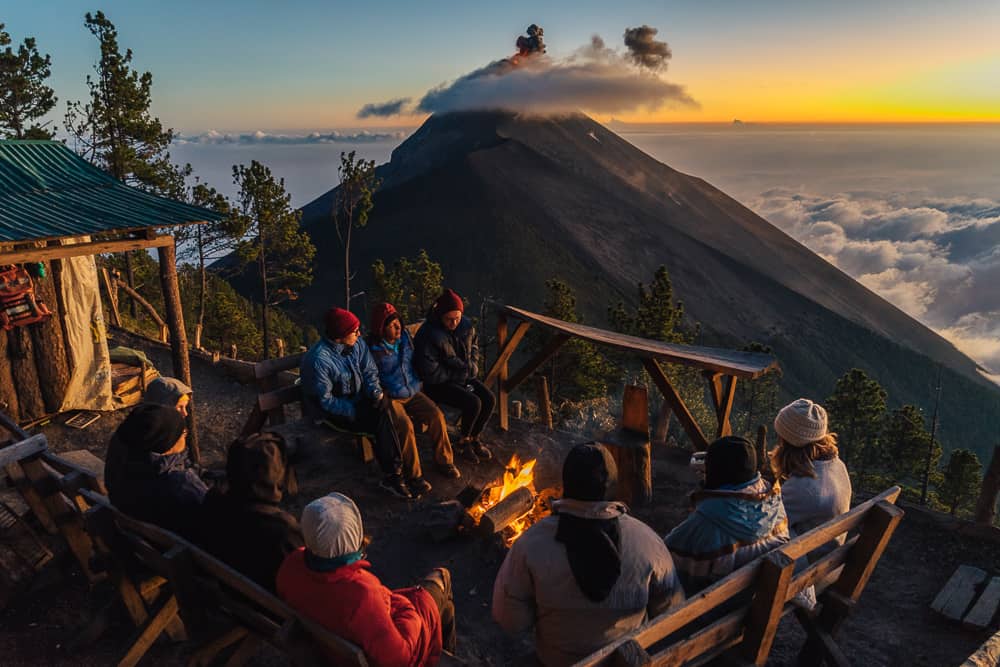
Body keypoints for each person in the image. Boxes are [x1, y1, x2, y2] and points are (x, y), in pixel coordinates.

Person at [492, 443, 684, 666]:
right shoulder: (648, 541)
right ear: (614, 486)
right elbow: (672, 610)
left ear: (565, 484)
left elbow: (510, 621)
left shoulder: (530, 544)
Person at [277, 493, 455, 667]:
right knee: (442, 578)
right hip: (355, 654)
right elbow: (399, 658)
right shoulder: (360, 594)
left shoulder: (292, 563)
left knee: (442, 603)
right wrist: (407, 611)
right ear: (353, 534)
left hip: (323, 649)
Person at [300, 306, 425, 499]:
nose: (359, 334)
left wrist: (376, 393)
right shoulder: (319, 361)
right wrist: (354, 410)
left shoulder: (356, 344)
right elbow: (325, 401)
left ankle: (398, 474)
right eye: (354, 331)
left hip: (358, 399)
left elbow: (369, 371)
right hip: (333, 413)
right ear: (340, 335)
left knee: (383, 410)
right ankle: (394, 476)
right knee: (381, 420)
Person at [664, 436, 789, 594]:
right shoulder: (775, 502)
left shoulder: (704, 525)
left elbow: (664, 562)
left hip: (714, 611)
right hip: (755, 598)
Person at [194, 432, 303, 591]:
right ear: (274, 475)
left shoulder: (213, 501)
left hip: (227, 596)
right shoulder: (282, 531)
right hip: (266, 609)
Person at [369, 302, 461, 481]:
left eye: (398, 323)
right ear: (381, 329)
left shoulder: (404, 338)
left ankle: (445, 462)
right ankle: (414, 476)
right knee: (405, 426)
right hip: (392, 397)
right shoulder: (373, 350)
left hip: (413, 390)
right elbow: (368, 375)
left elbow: (416, 360)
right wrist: (380, 394)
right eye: (391, 325)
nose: (397, 327)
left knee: (436, 416)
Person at [414, 289, 495, 463]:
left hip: (461, 376)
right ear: (440, 315)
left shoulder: (465, 326)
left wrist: (472, 365)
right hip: (437, 384)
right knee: (473, 402)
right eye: (449, 319)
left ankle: (473, 438)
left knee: (489, 399)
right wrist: (459, 374)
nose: (454, 323)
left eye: (457, 318)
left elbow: (474, 347)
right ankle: (462, 442)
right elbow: (430, 372)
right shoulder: (428, 335)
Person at [104, 403, 208, 538]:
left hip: (141, 538)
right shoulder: (183, 485)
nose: (185, 436)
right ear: (169, 444)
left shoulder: (122, 462)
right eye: (183, 433)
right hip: (174, 552)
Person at [771, 398, 852, 558]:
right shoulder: (837, 466)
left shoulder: (802, 488)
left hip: (803, 569)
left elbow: (765, 526)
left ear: (788, 442)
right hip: (827, 558)